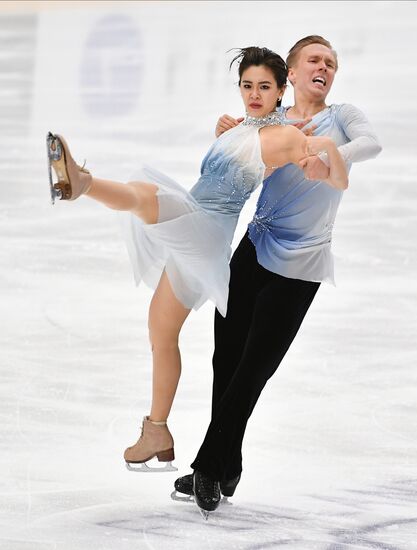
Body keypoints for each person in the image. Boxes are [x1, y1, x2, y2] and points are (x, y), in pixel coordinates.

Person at [46, 45, 347, 476]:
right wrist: (233, 128)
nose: (254, 94)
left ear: (282, 89)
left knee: (145, 193)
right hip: (194, 221)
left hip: (206, 229)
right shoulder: (241, 126)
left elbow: (324, 171)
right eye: (247, 86)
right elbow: (237, 145)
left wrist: (331, 156)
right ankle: (157, 430)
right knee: (161, 329)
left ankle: (82, 183)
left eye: (265, 86)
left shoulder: (287, 135)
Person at [173, 35, 382, 517]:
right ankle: (227, 466)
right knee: (225, 361)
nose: (324, 67)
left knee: (253, 368)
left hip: (302, 263)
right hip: (253, 249)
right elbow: (236, 173)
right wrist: (228, 133)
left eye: (331, 62)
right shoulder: (268, 121)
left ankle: (208, 466)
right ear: (291, 72)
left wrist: (330, 155)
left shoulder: (342, 116)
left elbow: (371, 144)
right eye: (314, 59)